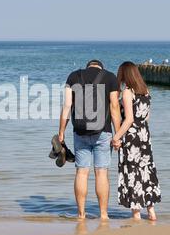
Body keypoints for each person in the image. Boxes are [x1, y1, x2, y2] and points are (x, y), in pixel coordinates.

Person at [58, 60, 121, 220]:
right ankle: (104, 215)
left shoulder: (73, 76)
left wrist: (61, 132)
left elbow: (66, 106)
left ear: (88, 66)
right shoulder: (110, 77)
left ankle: (81, 214)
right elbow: (114, 107)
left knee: (81, 172)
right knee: (101, 173)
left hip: (79, 132)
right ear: (100, 67)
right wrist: (118, 134)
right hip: (103, 132)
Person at [113, 61, 161, 221]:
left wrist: (116, 137)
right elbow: (147, 117)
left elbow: (128, 119)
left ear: (125, 75)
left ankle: (136, 214)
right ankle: (152, 212)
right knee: (146, 170)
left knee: (132, 172)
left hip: (131, 137)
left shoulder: (128, 92)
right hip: (144, 135)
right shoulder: (145, 90)